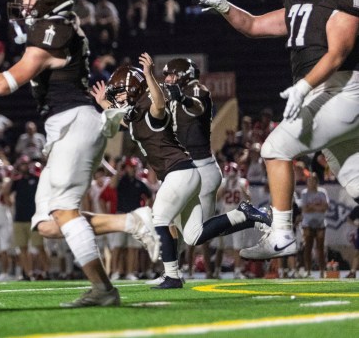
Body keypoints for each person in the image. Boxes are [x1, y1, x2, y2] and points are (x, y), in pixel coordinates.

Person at [0, 0, 159, 307]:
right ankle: (131, 222)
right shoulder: (57, 20)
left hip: (75, 122)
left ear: (47, 0)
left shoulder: (54, 30)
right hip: (66, 126)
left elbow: (5, 83)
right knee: (48, 225)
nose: (24, 1)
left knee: (64, 211)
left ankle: (103, 289)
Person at [189, 0, 359, 260]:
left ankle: (281, 234)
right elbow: (253, 26)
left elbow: (338, 54)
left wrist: (304, 86)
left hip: (345, 89)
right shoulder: (299, 2)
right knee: (354, 178)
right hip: (330, 95)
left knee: (274, 148)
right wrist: (223, 5)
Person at [91, 57, 271, 288]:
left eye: (121, 93)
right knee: (193, 235)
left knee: (159, 218)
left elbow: (158, 105)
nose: (117, 98)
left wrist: (148, 74)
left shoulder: (151, 105)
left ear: (135, 89)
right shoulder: (136, 113)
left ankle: (172, 276)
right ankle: (244, 215)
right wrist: (103, 102)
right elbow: (126, 120)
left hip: (180, 172)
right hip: (184, 173)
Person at [163, 57, 222, 279]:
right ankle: (172, 271)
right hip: (184, 167)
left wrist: (184, 100)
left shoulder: (196, 88)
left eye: (171, 75)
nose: (168, 79)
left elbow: (197, 108)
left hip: (201, 167)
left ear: (183, 74)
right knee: (169, 220)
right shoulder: (172, 95)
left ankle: (245, 217)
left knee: (198, 233)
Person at [297, 172, 329, 277]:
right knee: (308, 248)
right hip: (307, 224)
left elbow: (325, 207)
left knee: (320, 248)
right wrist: (317, 206)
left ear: (317, 182)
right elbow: (305, 209)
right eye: (309, 180)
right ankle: (308, 271)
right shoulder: (304, 193)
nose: (311, 183)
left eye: (313, 180)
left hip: (320, 223)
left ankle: (322, 271)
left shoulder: (322, 192)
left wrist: (312, 206)